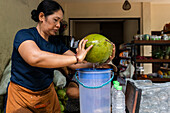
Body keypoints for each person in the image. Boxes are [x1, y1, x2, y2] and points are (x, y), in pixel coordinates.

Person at [4, 0, 116, 113]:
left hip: (47, 94)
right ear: (42, 16)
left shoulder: (56, 43)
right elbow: (35, 58)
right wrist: (77, 58)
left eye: (60, 21)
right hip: (22, 96)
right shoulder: (24, 35)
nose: (58, 25)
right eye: (55, 20)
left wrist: (103, 62)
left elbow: (76, 64)